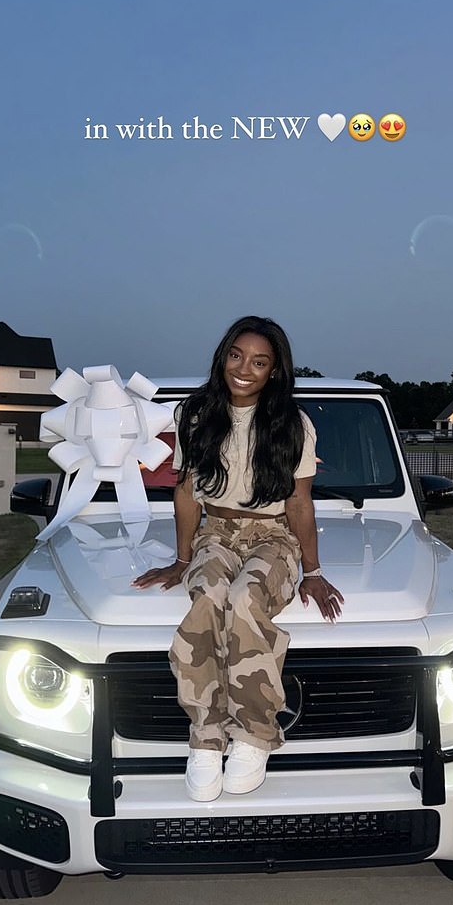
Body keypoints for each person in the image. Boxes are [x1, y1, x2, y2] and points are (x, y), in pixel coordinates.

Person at [132, 316, 343, 801]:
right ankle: (206, 737)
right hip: (217, 531)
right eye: (237, 355)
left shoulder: (293, 423)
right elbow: (185, 493)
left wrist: (311, 571)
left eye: (259, 361)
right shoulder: (194, 414)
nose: (244, 368)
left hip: (275, 535)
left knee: (248, 598)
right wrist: (183, 559)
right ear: (223, 355)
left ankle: (253, 735)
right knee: (207, 594)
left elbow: (299, 503)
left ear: (274, 371)